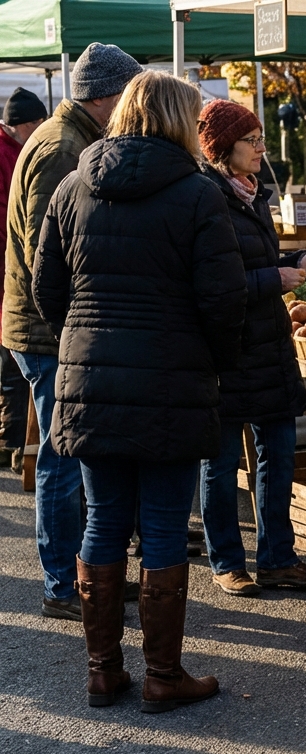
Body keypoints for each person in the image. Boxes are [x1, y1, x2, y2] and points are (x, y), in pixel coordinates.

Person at [34, 70, 247, 711]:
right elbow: (224, 298)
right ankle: (162, 675)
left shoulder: (74, 187)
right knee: (159, 523)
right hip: (171, 380)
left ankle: (103, 671)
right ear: (179, 122)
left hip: (92, 379)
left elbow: (48, 292)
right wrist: (212, 362)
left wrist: (87, 342)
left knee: (103, 520)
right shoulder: (197, 194)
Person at [5, 42, 143, 621]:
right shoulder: (63, 147)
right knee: (62, 460)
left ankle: (85, 577)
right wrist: (77, 326)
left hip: (43, 325)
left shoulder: (72, 138)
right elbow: (51, 253)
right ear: (108, 97)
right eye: (129, 97)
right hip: (45, 330)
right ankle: (64, 585)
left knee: (69, 455)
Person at [196, 99, 306, 596]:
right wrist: (271, 277)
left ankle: (277, 556)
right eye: (251, 140)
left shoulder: (253, 194)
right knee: (221, 459)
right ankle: (227, 560)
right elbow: (212, 281)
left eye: (260, 139)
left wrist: (298, 260)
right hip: (227, 349)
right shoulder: (206, 198)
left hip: (269, 344)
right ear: (222, 147)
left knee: (279, 454)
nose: (260, 148)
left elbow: (259, 258)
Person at [0, 88, 46, 472]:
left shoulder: (20, 149)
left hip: (10, 272)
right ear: (28, 124)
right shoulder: (8, 153)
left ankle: (13, 441)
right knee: (11, 366)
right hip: (9, 275)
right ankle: (12, 440)